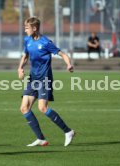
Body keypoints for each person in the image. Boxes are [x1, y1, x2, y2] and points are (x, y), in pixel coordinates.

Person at [18, 17, 75, 146]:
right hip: (33, 78)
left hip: (44, 79)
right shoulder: (27, 40)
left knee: (42, 108)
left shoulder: (46, 42)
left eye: (27, 27)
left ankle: (68, 131)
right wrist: (20, 68)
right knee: (24, 108)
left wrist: (69, 65)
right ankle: (41, 138)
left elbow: (63, 54)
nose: (25, 30)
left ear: (35, 28)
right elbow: (25, 56)